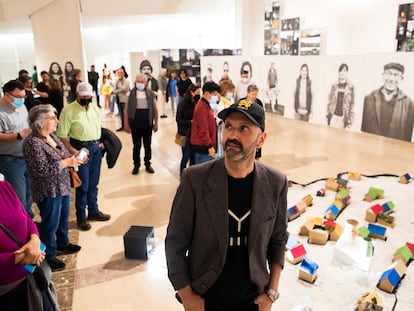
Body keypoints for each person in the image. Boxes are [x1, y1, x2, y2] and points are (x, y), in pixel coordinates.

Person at [165, 99, 288, 311]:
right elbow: (175, 244)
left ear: (261, 139)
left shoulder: (276, 183)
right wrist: (187, 297)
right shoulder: (195, 180)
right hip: (206, 299)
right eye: (228, 126)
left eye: (244, 129)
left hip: (254, 300)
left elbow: (278, 240)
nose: (232, 135)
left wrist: (272, 292)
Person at [23, 104, 83, 271]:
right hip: (49, 191)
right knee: (50, 224)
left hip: (62, 186)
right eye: (52, 118)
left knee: (63, 219)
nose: (57, 121)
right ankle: (49, 255)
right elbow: (41, 170)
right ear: (41, 122)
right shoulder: (33, 143)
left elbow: (63, 156)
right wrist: (65, 162)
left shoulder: (52, 137)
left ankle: (63, 243)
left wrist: (75, 159)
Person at [57, 82, 111, 231]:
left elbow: (99, 127)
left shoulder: (94, 108)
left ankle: (93, 210)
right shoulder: (68, 111)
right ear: (77, 95)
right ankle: (81, 216)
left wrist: (101, 143)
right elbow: (62, 135)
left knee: (94, 182)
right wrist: (72, 150)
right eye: (84, 96)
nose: (87, 98)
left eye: (89, 96)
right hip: (79, 148)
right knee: (83, 184)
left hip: (95, 148)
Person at [0, 180, 50, 310]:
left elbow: (26, 218)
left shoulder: (5, 187)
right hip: (6, 291)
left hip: (31, 277)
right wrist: (23, 257)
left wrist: (35, 239)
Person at [0, 80, 34, 218]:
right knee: (19, 196)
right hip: (10, 159)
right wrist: (18, 136)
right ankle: (22, 228)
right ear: (7, 95)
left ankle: (29, 221)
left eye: (23, 97)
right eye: (18, 97)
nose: (21, 100)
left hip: (26, 155)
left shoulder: (21, 107)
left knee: (30, 192)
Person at [361, 62, 414, 142]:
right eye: (388, 73)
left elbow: (407, 137)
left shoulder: (409, 104)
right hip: (371, 148)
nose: (391, 79)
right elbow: (363, 131)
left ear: (401, 79)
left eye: (396, 75)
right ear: (383, 75)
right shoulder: (369, 98)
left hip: (394, 151)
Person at [124, 74, 159, 175]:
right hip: (135, 124)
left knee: (147, 146)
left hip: (147, 124)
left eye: (142, 81)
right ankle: (136, 165)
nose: (140, 83)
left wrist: (156, 123)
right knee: (136, 146)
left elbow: (155, 109)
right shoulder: (130, 94)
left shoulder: (151, 94)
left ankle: (148, 164)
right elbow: (126, 110)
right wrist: (126, 124)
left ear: (146, 83)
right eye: (138, 81)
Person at [190, 81, 221, 164]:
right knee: (203, 172)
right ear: (207, 93)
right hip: (202, 146)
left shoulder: (206, 105)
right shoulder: (201, 107)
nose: (216, 97)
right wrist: (209, 146)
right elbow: (203, 129)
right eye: (214, 94)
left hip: (205, 145)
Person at [176, 83, 201, 175]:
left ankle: (191, 175)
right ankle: (182, 174)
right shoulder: (182, 103)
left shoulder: (197, 103)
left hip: (194, 135)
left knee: (193, 157)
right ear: (191, 92)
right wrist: (190, 122)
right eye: (197, 92)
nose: (199, 94)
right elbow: (178, 119)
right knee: (186, 156)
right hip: (185, 134)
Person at [326, 63, 355, 129]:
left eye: (344, 70)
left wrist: (350, 120)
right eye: (341, 70)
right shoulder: (334, 85)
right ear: (339, 72)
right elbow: (329, 100)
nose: (342, 72)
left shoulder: (351, 86)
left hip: (343, 118)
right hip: (333, 116)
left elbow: (352, 104)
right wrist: (327, 114)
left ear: (347, 72)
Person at [241, 84, 264, 160]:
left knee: (256, 152)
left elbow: (262, 117)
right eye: (252, 94)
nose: (254, 96)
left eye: (256, 94)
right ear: (247, 93)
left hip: (256, 130)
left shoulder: (259, 103)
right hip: (245, 131)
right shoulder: (241, 103)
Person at [112, 67, 130, 131]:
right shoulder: (116, 81)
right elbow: (114, 90)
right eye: (118, 73)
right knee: (121, 113)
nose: (120, 74)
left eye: (121, 73)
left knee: (125, 113)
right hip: (118, 99)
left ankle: (127, 126)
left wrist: (118, 90)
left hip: (124, 100)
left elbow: (125, 89)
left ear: (123, 73)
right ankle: (122, 126)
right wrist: (120, 90)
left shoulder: (126, 81)